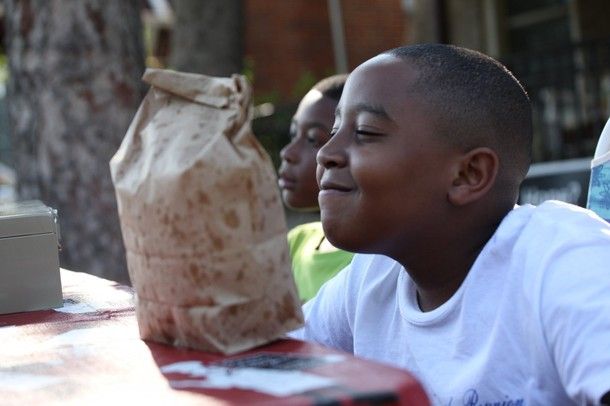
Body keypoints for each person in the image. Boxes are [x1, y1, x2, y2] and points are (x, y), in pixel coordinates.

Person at [290, 44, 610, 405]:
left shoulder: (565, 260)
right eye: (334, 131)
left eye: (365, 132)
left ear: (467, 174)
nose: (326, 154)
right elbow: (273, 363)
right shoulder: (372, 278)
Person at [278, 74, 354, 302]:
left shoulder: (370, 263)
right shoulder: (295, 242)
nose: (288, 153)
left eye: (313, 139)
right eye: (293, 134)